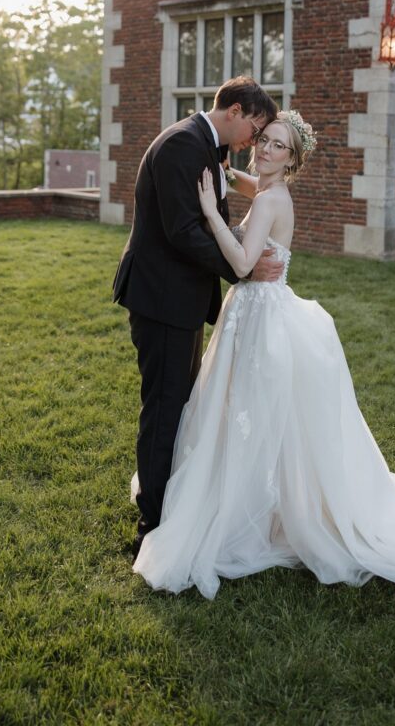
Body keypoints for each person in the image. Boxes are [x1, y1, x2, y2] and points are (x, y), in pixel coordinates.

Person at [132, 111, 395, 599]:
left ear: (292, 159)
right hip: (261, 316)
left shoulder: (271, 202)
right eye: (263, 140)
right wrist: (223, 176)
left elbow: (242, 265)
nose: (264, 149)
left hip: (260, 319)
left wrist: (208, 212)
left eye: (278, 146)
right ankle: (258, 500)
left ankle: (244, 510)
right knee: (252, 417)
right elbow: (246, 185)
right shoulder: (267, 193)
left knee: (248, 416)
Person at [113, 77, 281, 558]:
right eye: (255, 125)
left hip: (177, 298)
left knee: (178, 404)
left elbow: (209, 220)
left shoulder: (205, 146)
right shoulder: (183, 147)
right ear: (233, 110)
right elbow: (185, 231)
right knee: (165, 409)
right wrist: (243, 272)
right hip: (162, 300)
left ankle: (167, 506)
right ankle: (154, 523)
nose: (255, 138)